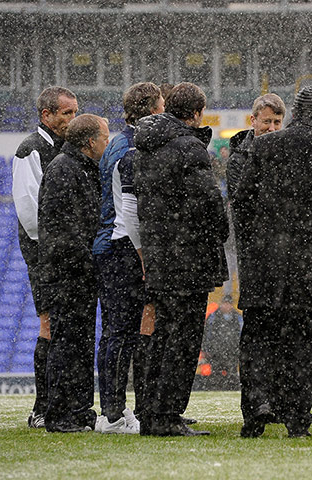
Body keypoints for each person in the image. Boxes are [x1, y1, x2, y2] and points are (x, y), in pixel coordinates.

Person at [233, 86, 312, 438]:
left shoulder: (264, 146)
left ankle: (256, 407)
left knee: (258, 337)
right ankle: (298, 417)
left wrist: (260, 247)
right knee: (305, 342)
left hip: (264, 266)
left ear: (293, 114)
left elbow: (242, 202)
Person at [134, 82, 229, 437]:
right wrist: (218, 232)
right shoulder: (190, 147)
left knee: (162, 335)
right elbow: (208, 202)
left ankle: (152, 411)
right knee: (184, 339)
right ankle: (168, 414)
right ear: (196, 113)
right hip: (188, 258)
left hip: (160, 255)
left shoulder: (145, 145)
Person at [92, 82, 165, 434]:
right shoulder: (131, 147)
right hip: (122, 245)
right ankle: (113, 415)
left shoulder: (120, 142)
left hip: (114, 243)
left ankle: (117, 411)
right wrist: (142, 255)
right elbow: (129, 208)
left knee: (118, 333)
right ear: (152, 108)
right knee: (121, 332)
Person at [12, 86, 78, 429]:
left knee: (67, 327)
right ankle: (42, 407)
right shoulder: (30, 150)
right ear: (46, 115)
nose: (71, 119)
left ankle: (66, 405)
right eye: (65, 113)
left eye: (74, 112)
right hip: (46, 255)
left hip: (68, 253)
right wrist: (58, 248)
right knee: (50, 324)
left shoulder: (68, 150)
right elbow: (30, 213)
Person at [38, 114, 109, 433]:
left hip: (76, 272)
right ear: (91, 142)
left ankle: (79, 410)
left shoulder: (78, 167)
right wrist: (87, 260)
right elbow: (63, 229)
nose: (108, 143)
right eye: (105, 138)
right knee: (67, 343)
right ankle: (60, 413)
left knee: (79, 343)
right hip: (67, 273)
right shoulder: (64, 169)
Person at [226, 93, 286, 199]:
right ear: (253, 120)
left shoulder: (288, 154)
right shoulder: (238, 159)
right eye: (266, 121)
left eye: (277, 122)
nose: (272, 128)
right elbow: (240, 203)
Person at [200, 295, 241, 390]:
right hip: (215, 353)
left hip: (232, 352)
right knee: (215, 376)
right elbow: (206, 334)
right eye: (225, 303)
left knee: (232, 376)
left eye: (228, 304)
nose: (226, 306)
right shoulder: (213, 316)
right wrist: (206, 349)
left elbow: (240, 334)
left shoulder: (237, 318)